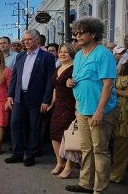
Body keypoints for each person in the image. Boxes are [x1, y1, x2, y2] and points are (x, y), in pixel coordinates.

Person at [65, 17, 118, 193]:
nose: (77, 35)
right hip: (82, 109)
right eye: (76, 33)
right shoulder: (79, 55)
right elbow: (78, 77)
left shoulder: (104, 54)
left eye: (82, 32)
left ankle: (99, 189)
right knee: (86, 149)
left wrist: (100, 111)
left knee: (100, 151)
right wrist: (70, 82)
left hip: (99, 111)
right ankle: (85, 184)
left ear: (93, 34)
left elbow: (108, 85)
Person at [4, 29, 55, 166]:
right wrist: (10, 95)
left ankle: (31, 155)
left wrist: (46, 100)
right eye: (24, 40)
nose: (26, 42)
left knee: (34, 127)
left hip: (36, 99)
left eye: (29, 39)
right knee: (15, 124)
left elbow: (50, 81)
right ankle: (17, 153)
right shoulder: (20, 56)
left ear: (37, 40)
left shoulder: (47, 57)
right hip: (19, 97)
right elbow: (14, 77)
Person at [47, 43, 76, 178]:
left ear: (71, 53)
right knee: (54, 133)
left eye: (65, 52)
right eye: (61, 52)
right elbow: (55, 88)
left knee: (68, 136)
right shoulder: (58, 67)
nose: (62, 54)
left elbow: (77, 85)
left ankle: (69, 166)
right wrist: (52, 103)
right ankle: (60, 162)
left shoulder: (75, 68)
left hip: (70, 105)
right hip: (58, 105)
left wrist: (71, 81)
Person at [110, 61, 128, 183]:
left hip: (125, 114)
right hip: (116, 109)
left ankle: (116, 175)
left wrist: (113, 90)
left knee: (121, 143)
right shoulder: (122, 66)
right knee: (114, 142)